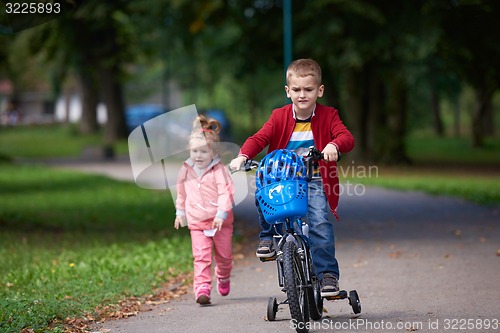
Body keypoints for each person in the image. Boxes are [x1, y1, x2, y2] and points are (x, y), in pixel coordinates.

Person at [229, 59, 355, 297]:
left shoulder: (329, 116)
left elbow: (346, 137)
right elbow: (259, 138)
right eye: (296, 90)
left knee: (318, 222)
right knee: (264, 191)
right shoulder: (279, 116)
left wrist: (333, 144)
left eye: (308, 89)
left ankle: (327, 274)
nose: (302, 95)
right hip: (283, 179)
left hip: (315, 178)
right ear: (288, 91)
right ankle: (267, 237)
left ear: (320, 90)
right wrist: (243, 155)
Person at [175, 115, 235, 305]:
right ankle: (202, 288)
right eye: (194, 151)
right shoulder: (186, 169)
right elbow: (181, 193)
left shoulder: (219, 170)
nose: (198, 156)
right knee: (201, 257)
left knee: (224, 257)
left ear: (214, 153)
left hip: (220, 223)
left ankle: (223, 275)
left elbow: (226, 193)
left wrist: (221, 214)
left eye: (203, 151)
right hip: (197, 222)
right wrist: (180, 213)